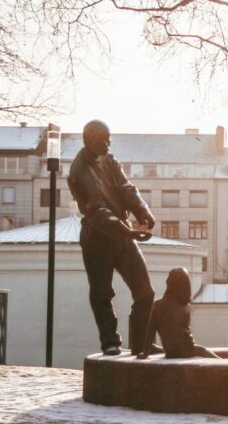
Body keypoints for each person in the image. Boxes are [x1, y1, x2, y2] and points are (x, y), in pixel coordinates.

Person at [67, 119, 156, 356]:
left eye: (109, 139)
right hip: (97, 238)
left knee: (145, 291)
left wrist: (143, 212)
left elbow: (127, 188)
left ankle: (141, 341)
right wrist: (125, 230)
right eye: (102, 140)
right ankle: (109, 341)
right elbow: (96, 210)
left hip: (122, 234)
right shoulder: (77, 172)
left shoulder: (110, 159)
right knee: (102, 292)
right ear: (88, 140)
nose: (108, 144)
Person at [137, 267, 219, 359]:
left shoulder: (157, 305)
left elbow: (151, 331)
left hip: (170, 352)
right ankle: (222, 362)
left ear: (168, 283)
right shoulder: (185, 306)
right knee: (203, 350)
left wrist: (145, 353)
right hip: (186, 350)